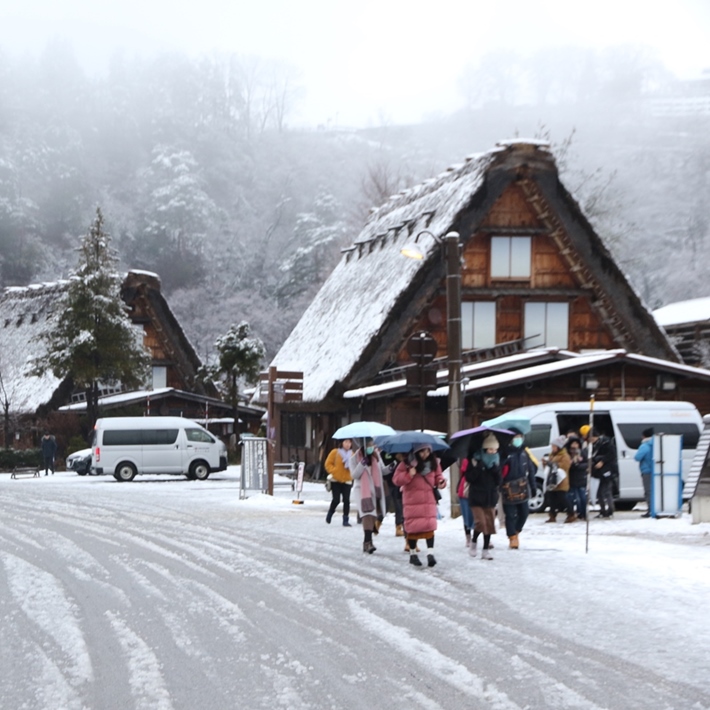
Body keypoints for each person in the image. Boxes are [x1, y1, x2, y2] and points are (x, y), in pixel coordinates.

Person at [393, 444, 447, 567]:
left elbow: (438, 477)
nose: (425, 454)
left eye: (428, 451)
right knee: (413, 528)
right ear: (417, 452)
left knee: (429, 526)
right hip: (412, 500)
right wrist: (409, 474)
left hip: (428, 499)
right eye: (422, 452)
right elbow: (396, 480)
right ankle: (412, 554)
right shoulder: (407, 464)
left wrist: (441, 482)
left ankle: (430, 553)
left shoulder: (434, 463)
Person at [464, 433, 501, 560]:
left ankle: (485, 550)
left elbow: (499, 482)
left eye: (495, 450)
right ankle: (473, 543)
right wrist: (479, 468)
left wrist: (496, 472)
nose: (493, 452)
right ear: (485, 449)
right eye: (490, 449)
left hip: (490, 497)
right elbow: (469, 478)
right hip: (476, 497)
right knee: (480, 522)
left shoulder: (496, 462)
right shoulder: (474, 460)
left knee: (489, 524)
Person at [501, 428, 538, 549]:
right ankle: (512, 537)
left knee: (524, 513)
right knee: (510, 514)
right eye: (515, 437)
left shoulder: (524, 452)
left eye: (520, 437)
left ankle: (516, 531)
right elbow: (499, 471)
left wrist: (533, 486)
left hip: (522, 486)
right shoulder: (504, 452)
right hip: (508, 487)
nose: (518, 439)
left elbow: (531, 469)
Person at [350, 439, 387, 553]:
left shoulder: (376, 457)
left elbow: (382, 471)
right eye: (369, 445)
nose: (371, 447)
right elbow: (354, 475)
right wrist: (362, 464)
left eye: (372, 445)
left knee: (373, 516)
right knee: (367, 515)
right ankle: (368, 542)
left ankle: (367, 542)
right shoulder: (354, 458)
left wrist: (391, 467)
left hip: (374, 490)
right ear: (363, 446)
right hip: (362, 491)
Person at [587, 428, 618, 518]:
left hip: (607, 470)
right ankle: (603, 510)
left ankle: (610, 510)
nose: (591, 440)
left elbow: (612, 455)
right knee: (599, 492)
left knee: (607, 491)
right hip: (597, 471)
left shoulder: (606, 443)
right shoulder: (592, 445)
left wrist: (602, 461)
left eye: (592, 438)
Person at [324, 438, 354, 526]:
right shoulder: (335, 452)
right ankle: (330, 513)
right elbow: (327, 464)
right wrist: (334, 471)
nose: (348, 444)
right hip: (336, 480)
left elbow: (356, 465)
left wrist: (352, 471)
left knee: (346, 501)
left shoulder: (352, 454)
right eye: (346, 442)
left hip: (347, 480)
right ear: (341, 443)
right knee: (336, 500)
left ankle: (345, 520)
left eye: (349, 442)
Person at [542, 436, 570, 523]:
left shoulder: (564, 455)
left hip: (561, 481)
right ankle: (552, 515)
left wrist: (552, 464)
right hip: (552, 480)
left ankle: (571, 513)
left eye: (554, 446)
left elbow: (564, 467)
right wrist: (545, 463)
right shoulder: (552, 455)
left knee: (563, 499)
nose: (552, 448)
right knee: (551, 499)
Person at [382, 452, 406, 538]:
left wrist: (400, 458)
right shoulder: (385, 452)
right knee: (385, 503)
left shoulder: (402, 451)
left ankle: (398, 527)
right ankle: (377, 523)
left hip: (398, 482)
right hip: (386, 481)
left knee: (399, 505)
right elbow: (382, 466)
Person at [566, 437, 588, 522]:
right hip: (571, 478)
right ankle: (575, 513)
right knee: (574, 498)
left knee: (583, 497)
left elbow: (587, 464)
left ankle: (583, 514)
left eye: (576, 443)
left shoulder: (582, 452)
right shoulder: (568, 453)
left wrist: (577, 465)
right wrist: (572, 464)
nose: (575, 445)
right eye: (573, 443)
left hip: (581, 478)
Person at [634, 428, 654, 517]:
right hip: (656, 470)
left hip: (647, 471)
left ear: (644, 436)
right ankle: (655, 509)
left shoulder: (645, 446)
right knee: (655, 491)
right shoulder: (656, 443)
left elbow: (637, 457)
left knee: (648, 491)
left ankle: (650, 510)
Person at [457, 459, 474, 548]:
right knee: (467, 514)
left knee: (481, 514)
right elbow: (464, 470)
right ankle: (468, 537)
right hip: (466, 489)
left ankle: (485, 536)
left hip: (481, 490)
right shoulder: (467, 460)